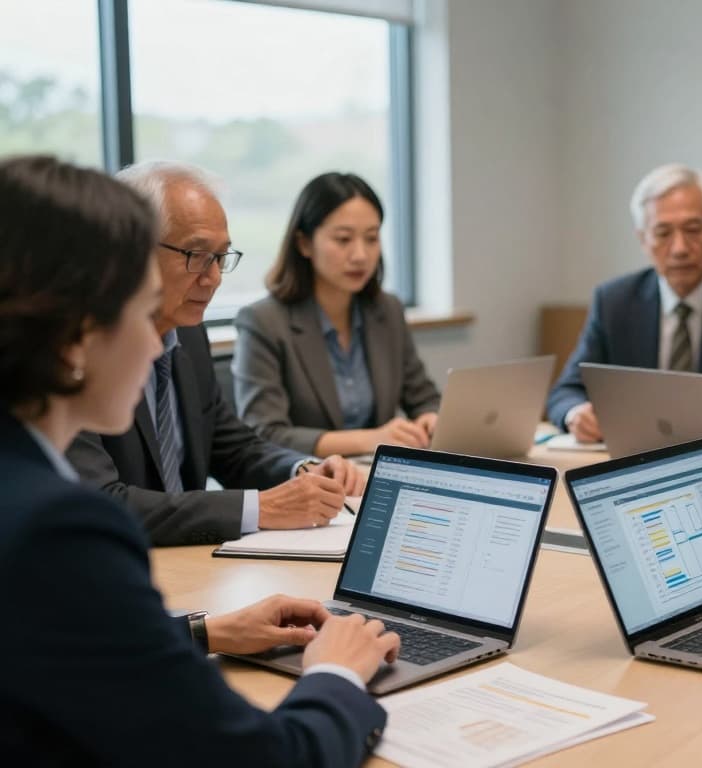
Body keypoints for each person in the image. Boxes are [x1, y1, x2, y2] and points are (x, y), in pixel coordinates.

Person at [0, 154, 399, 765]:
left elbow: (59, 641)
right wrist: (337, 676)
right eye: (138, 310)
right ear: (77, 335)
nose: (155, 340)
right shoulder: (59, 531)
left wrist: (204, 631)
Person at [66, 161, 364, 547]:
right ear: (132, 250)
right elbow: (101, 501)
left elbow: (232, 447)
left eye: (221, 257)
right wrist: (261, 509)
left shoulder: (188, 333)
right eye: (196, 254)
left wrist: (301, 470)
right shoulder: (73, 351)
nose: (214, 278)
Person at [546, 163, 702, 441]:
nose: (679, 249)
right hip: (631, 459)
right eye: (663, 233)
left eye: (693, 229)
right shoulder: (614, 301)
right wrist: (576, 413)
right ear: (643, 239)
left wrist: (671, 426)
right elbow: (566, 391)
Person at [232, 172, 440, 456]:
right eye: (343, 240)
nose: (360, 255)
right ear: (304, 243)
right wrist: (370, 440)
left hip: (376, 476)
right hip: (310, 481)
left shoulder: (387, 310)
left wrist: (430, 419)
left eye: (371, 238)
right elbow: (265, 433)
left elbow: (424, 397)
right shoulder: (264, 322)